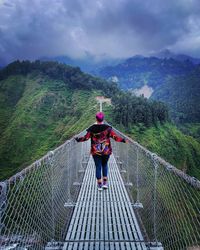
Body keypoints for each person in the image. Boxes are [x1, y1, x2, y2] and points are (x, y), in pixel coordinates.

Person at [75, 112, 127, 191]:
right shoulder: (108, 128)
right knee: (105, 165)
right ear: (103, 119)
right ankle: (105, 184)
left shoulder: (91, 128)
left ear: (96, 119)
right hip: (106, 151)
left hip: (96, 152)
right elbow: (115, 137)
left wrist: (77, 139)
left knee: (98, 167)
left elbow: (86, 138)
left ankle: (99, 185)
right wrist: (123, 140)